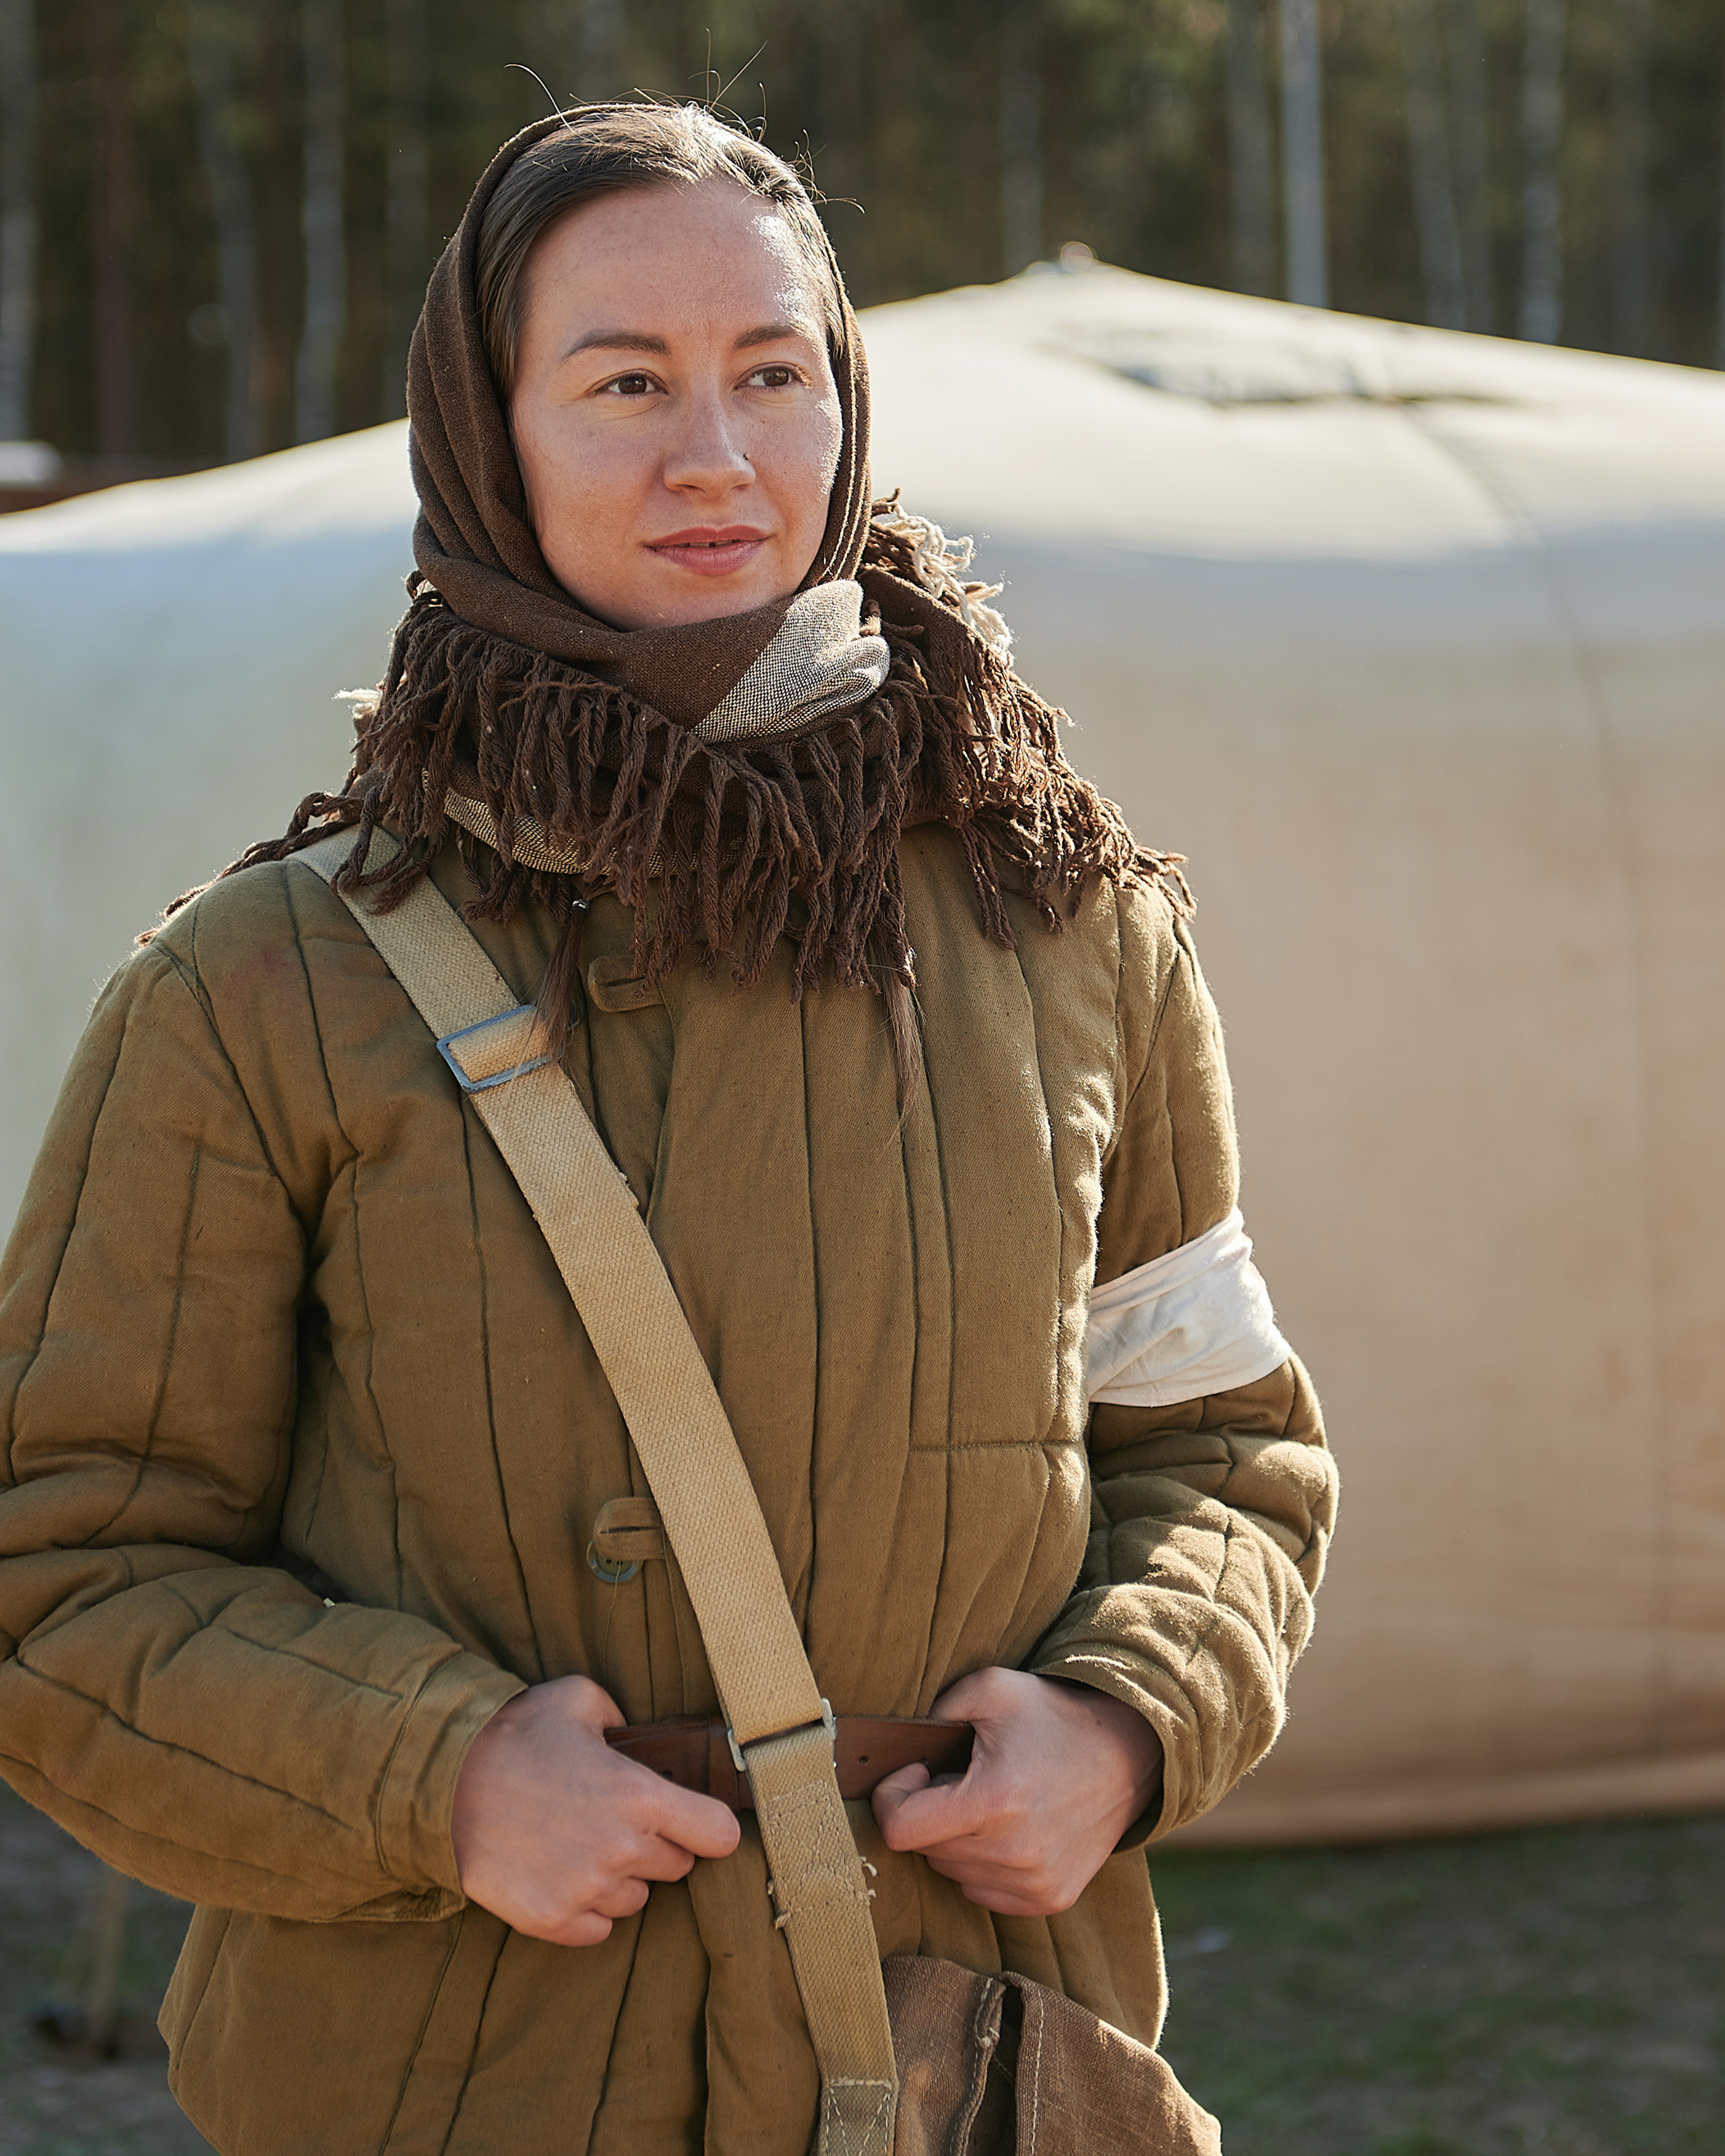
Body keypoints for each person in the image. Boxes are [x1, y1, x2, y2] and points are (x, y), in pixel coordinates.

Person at [0, 105, 1336, 2155]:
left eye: (772, 374)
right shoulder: (267, 986)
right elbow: (61, 1569)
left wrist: (1123, 1723)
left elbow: (1225, 1454)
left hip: (964, 2060)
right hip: (455, 2082)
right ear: (487, 434)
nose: (715, 454)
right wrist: (429, 1778)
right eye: (623, 383)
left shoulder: (1074, 932)